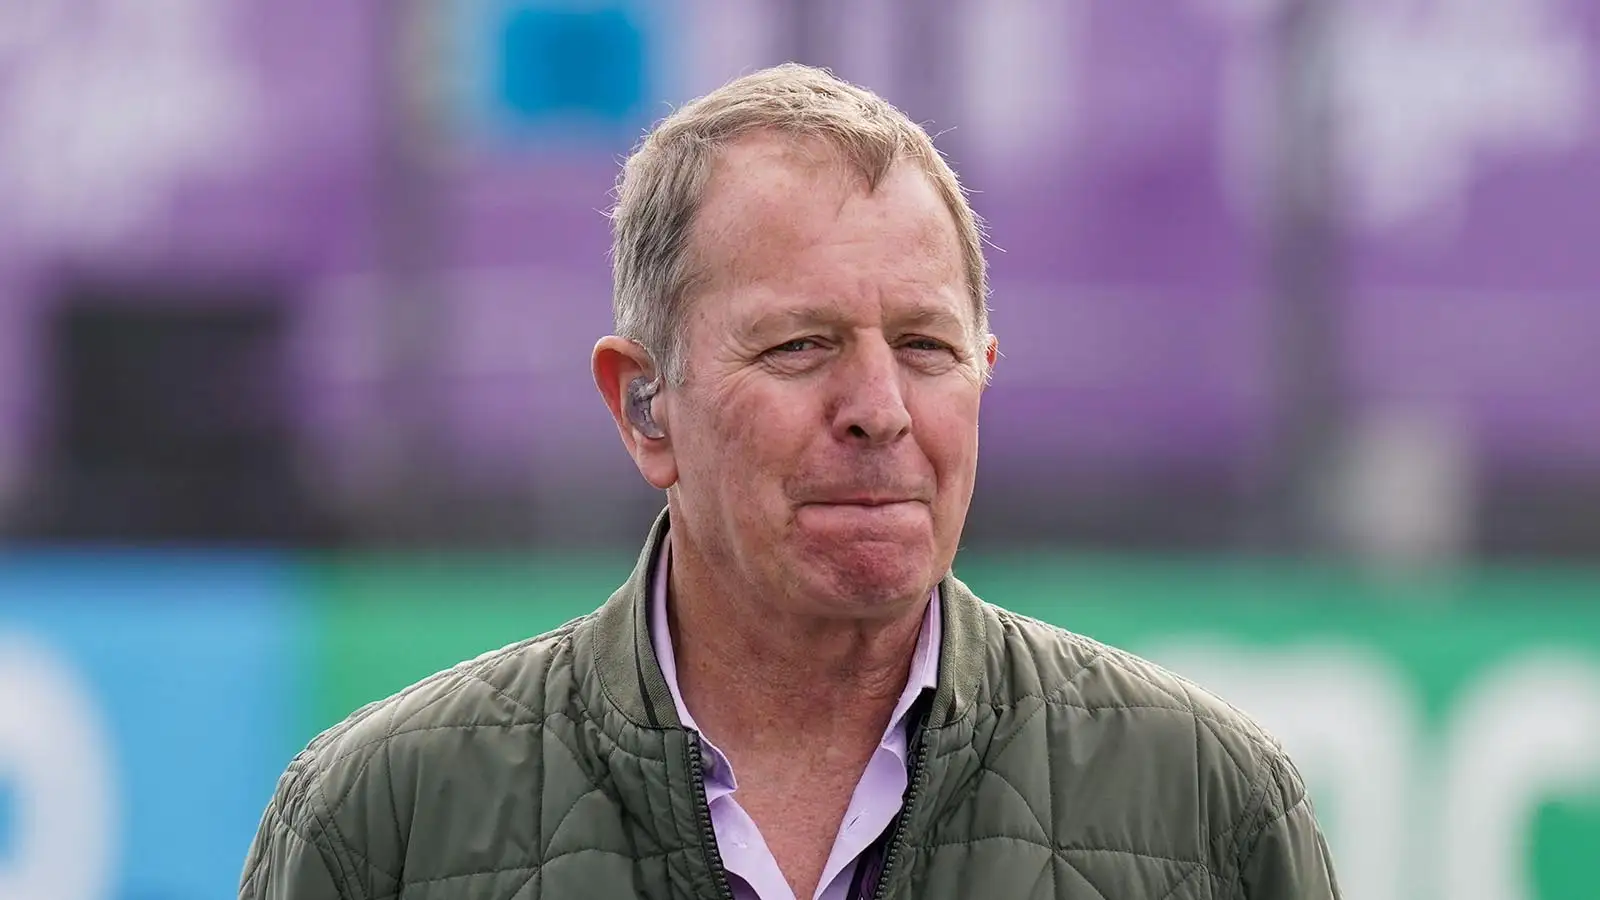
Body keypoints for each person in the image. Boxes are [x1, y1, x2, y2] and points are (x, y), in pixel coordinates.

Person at [240, 63, 1341, 900]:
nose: (878, 407)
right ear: (642, 406)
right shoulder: (382, 823)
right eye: (799, 347)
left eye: (925, 347)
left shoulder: (1208, 807)